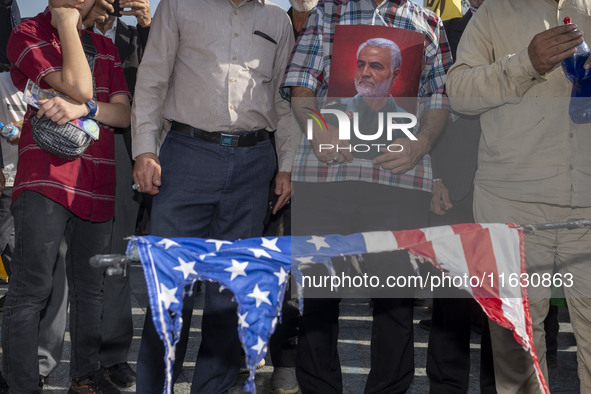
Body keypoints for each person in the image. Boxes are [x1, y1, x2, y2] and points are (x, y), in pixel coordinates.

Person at [281, 0, 451, 391]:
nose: (365, 73)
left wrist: (421, 143)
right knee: (318, 298)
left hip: (399, 183)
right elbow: (301, 86)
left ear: (394, 74)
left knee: (395, 304)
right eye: (361, 64)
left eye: (377, 67)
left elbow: (440, 96)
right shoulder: (329, 12)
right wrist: (319, 128)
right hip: (325, 180)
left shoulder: (427, 22)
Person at [130, 0, 294, 392]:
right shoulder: (179, 5)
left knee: (230, 299)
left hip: (255, 164)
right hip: (186, 158)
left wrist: (286, 164)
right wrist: (145, 150)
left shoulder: (278, 19)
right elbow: (152, 79)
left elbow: (284, 101)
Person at [446, 1, 591, 392]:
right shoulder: (495, 13)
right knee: (518, 354)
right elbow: (458, 93)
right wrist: (526, 63)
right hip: (512, 204)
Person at [4, 0, 131, 392]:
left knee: (91, 289)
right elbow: (80, 84)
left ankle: (85, 377)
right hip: (46, 177)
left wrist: (87, 108)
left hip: (99, 180)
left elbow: (124, 113)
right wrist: (64, 22)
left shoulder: (107, 47)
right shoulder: (28, 32)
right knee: (32, 289)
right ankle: (24, 384)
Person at [422, 1, 496, 393]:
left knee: (502, 307)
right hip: (454, 187)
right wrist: (434, 176)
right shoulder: (446, 33)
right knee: (450, 304)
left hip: (514, 186)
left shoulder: (534, 32)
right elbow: (430, 110)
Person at [82, 0, 150, 387]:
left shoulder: (136, 35)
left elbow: (158, 82)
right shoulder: (65, 27)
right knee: (58, 262)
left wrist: (145, 22)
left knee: (116, 259)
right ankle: (42, 360)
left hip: (122, 150)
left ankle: (113, 355)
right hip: (66, 151)